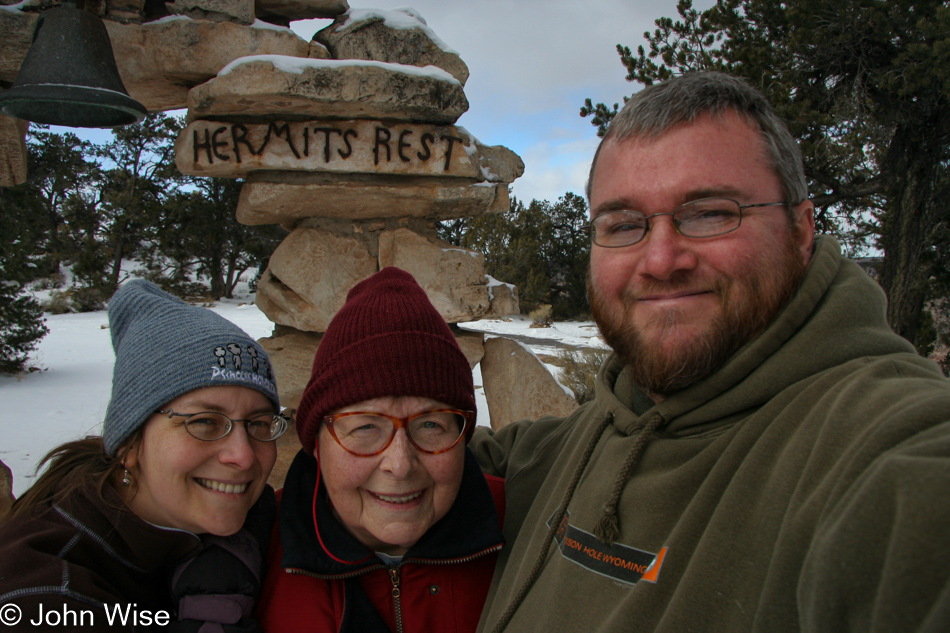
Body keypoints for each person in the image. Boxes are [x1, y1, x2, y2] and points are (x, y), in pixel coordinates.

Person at [470, 72, 950, 633]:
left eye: (711, 213)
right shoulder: (579, 439)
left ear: (801, 230)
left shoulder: (873, 446)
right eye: (624, 224)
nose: (660, 260)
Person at [0, 280, 287, 632]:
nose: (243, 456)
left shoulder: (258, 524)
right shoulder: (43, 593)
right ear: (129, 444)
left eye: (258, 423)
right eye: (204, 422)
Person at [258, 267, 505, 633]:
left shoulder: (526, 528)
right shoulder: (254, 545)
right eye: (365, 427)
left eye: (430, 424)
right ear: (316, 443)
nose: (401, 465)